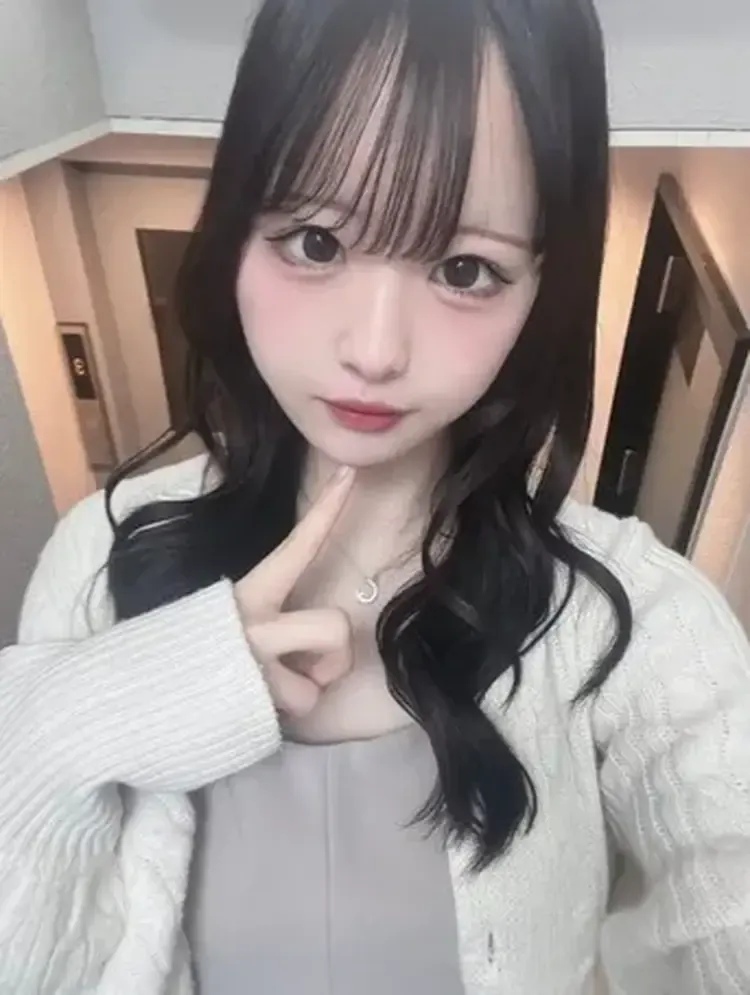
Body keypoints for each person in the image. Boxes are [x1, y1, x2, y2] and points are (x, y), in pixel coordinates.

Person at [1, 0, 749, 992]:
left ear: (542, 288)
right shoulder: (101, 560)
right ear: (234, 229)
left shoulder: (632, 621)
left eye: (465, 268)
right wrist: (83, 717)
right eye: (315, 242)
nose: (376, 348)